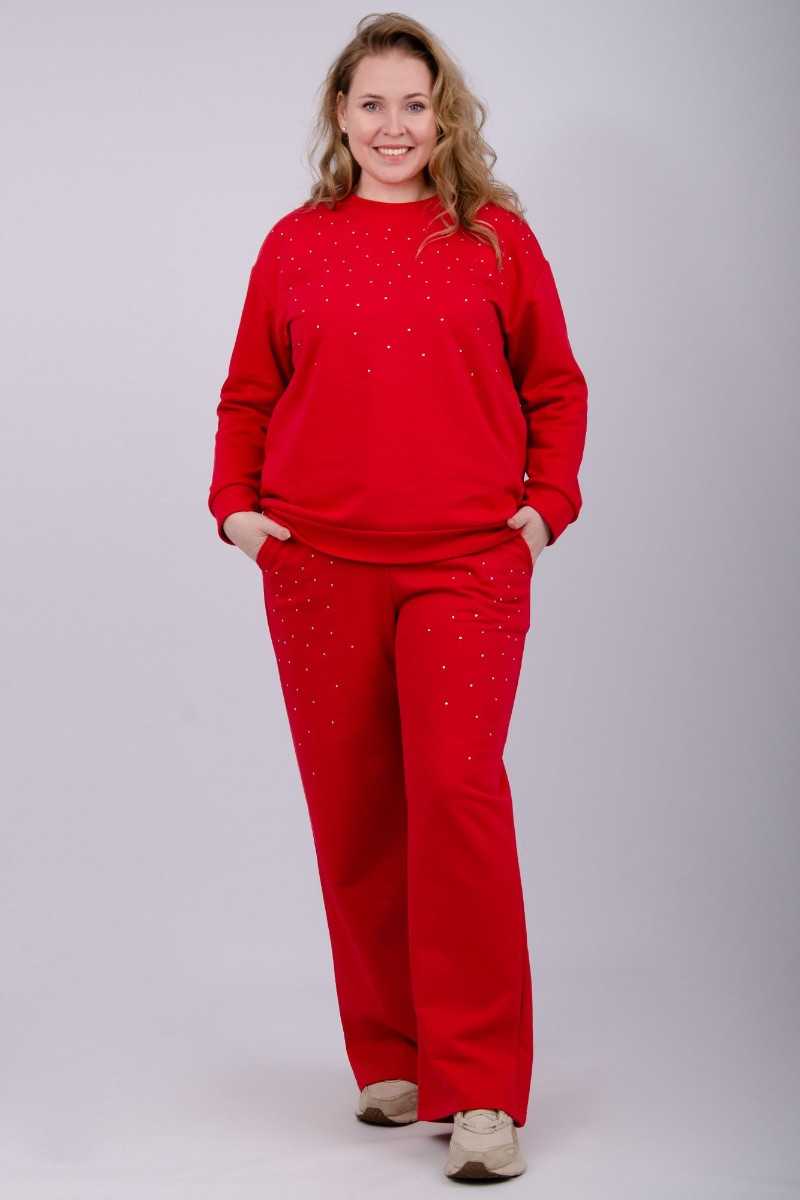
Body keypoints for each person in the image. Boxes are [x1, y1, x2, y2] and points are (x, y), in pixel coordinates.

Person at [207, 11, 588, 1183]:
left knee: (455, 802)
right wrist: (236, 509)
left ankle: (480, 1093)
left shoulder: (495, 242)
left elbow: (554, 387)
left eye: (413, 105)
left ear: (442, 116)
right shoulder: (294, 244)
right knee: (357, 812)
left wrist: (544, 507)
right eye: (370, 104)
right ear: (340, 115)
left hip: (464, 564)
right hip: (317, 566)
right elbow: (247, 394)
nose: (392, 126)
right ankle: (393, 1054)